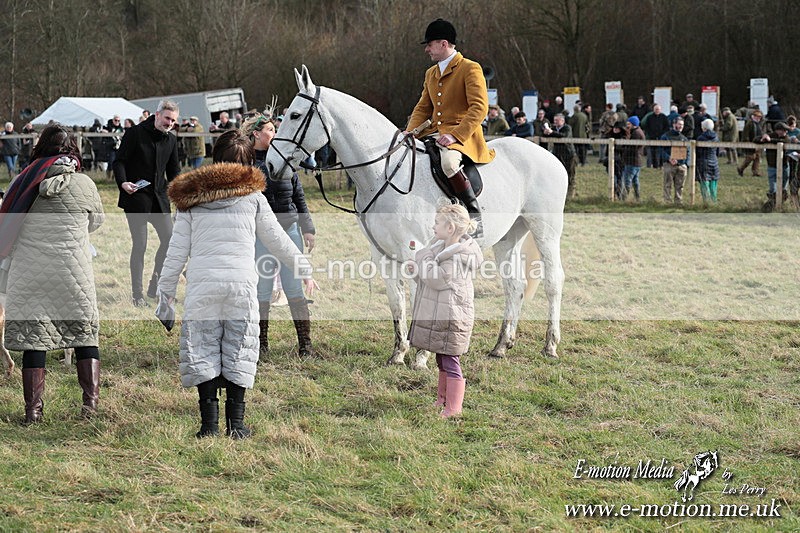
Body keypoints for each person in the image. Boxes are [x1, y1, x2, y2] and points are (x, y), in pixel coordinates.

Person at [158, 130, 312, 439]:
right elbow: (278, 240)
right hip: (241, 285)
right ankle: (236, 425)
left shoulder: (189, 201)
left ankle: (208, 426)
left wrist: (166, 292)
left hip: (203, 285)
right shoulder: (254, 199)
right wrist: (304, 268)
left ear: (215, 158)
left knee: (202, 347)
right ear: (248, 164)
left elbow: (176, 250)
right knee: (240, 347)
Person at [0, 124, 105, 423]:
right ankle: (90, 406)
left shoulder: (23, 180)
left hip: (30, 270)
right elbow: (95, 222)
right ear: (72, 148)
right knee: (85, 334)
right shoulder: (86, 184)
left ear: (40, 147)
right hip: (73, 270)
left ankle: (33, 412)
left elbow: (8, 223)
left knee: (35, 338)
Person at [405, 18, 495, 239]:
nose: (427, 49)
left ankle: (474, 217)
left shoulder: (470, 68)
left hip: (462, 135)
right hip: (433, 133)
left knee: (448, 162)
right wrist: (410, 132)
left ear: (443, 44)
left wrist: (455, 135)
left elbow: (479, 108)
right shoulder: (431, 73)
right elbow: (422, 107)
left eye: (430, 44)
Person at [240, 114, 318, 359]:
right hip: (261, 234)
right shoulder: (246, 163)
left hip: (290, 229)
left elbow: (298, 195)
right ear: (256, 134)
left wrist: (308, 228)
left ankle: (305, 346)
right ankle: (261, 346)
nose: (275, 133)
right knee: (262, 290)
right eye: (271, 129)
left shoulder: (284, 159)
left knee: (294, 286)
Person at [408, 202, 483, 418]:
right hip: (441, 314)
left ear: (450, 228)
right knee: (441, 358)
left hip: (452, 317)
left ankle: (454, 408)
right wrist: (417, 269)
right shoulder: (441, 248)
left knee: (451, 361)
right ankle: (442, 399)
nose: (433, 227)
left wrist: (422, 258)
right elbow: (428, 276)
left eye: (437, 223)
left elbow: (438, 279)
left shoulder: (458, 257)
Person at [113, 99, 180, 306]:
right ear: (157, 115)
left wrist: (181, 194)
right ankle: (137, 295)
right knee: (140, 245)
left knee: (170, 241)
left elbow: (174, 172)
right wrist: (123, 182)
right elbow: (119, 161)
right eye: (167, 118)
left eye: (173, 121)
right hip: (136, 198)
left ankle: (155, 286)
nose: (170, 123)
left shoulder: (171, 140)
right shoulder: (135, 134)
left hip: (159, 199)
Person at [756, 121, 791, 211]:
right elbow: (755, 140)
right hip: (772, 166)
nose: (786, 132)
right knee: (773, 189)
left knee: (784, 188)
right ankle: (772, 205)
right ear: (778, 131)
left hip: (784, 165)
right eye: (784, 130)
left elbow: (785, 141)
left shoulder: (786, 137)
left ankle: (776, 205)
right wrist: (762, 138)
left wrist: (770, 140)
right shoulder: (770, 135)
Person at [542, 113, 577, 199]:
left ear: (562, 121)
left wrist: (551, 132)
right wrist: (546, 132)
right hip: (557, 154)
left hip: (568, 154)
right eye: (554, 121)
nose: (555, 122)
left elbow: (563, 135)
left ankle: (570, 194)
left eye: (557, 120)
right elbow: (549, 134)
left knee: (570, 174)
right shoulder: (554, 129)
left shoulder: (567, 128)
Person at [660, 116, 690, 205]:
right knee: (667, 184)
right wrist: (669, 158)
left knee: (680, 186)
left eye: (682, 125)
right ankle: (667, 202)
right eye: (679, 124)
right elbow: (661, 150)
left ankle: (678, 202)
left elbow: (687, 152)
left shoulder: (684, 138)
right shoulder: (665, 136)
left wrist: (681, 162)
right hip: (669, 164)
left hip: (681, 165)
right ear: (674, 124)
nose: (681, 126)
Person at [695, 118, 720, 204]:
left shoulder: (701, 138)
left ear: (704, 127)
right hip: (714, 161)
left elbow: (698, 152)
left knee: (704, 183)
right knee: (713, 183)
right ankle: (714, 201)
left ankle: (707, 202)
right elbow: (717, 151)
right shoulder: (716, 137)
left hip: (703, 162)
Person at [621, 116, 645, 201]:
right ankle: (637, 197)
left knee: (627, 180)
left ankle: (624, 198)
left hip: (632, 160)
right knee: (635, 181)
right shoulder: (637, 132)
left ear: (633, 124)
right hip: (636, 161)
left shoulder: (636, 133)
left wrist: (623, 147)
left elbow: (632, 147)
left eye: (629, 123)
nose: (627, 125)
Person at [641, 104, 670, 168]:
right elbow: (647, 127)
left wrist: (661, 135)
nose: (657, 111)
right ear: (654, 110)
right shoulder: (649, 117)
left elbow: (666, 127)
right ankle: (649, 165)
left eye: (658, 109)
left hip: (661, 137)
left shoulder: (664, 117)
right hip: (651, 137)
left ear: (660, 110)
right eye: (656, 109)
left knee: (659, 152)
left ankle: (658, 165)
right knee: (650, 153)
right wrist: (651, 134)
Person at [737, 110, 764, 177]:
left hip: (758, 143)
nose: (759, 118)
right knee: (750, 157)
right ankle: (741, 169)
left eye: (760, 117)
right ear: (754, 116)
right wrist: (748, 143)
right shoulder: (749, 123)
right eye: (758, 117)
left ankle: (755, 172)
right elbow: (745, 135)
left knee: (757, 158)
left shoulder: (758, 124)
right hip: (750, 143)